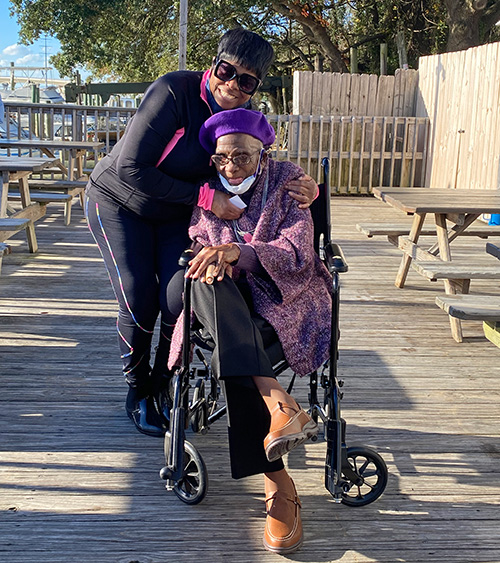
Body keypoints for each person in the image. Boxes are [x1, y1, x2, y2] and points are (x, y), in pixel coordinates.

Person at [84, 28, 318, 438]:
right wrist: (206, 198)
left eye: (247, 81)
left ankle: (164, 381)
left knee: (179, 293)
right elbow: (130, 168)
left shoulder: (238, 117)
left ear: (256, 86)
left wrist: (311, 188)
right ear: (214, 63)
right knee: (139, 294)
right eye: (227, 71)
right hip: (119, 202)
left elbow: (258, 163)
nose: (233, 85)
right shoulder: (173, 92)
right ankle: (138, 391)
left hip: (175, 214)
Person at [167, 108, 332, 554]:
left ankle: (276, 467)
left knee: (229, 330)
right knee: (203, 276)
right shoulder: (208, 189)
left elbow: (297, 250)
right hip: (218, 295)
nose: (231, 166)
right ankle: (277, 413)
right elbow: (199, 240)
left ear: (264, 153)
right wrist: (217, 255)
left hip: (281, 297)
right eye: (222, 158)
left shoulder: (289, 182)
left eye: (241, 156)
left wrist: (240, 252)